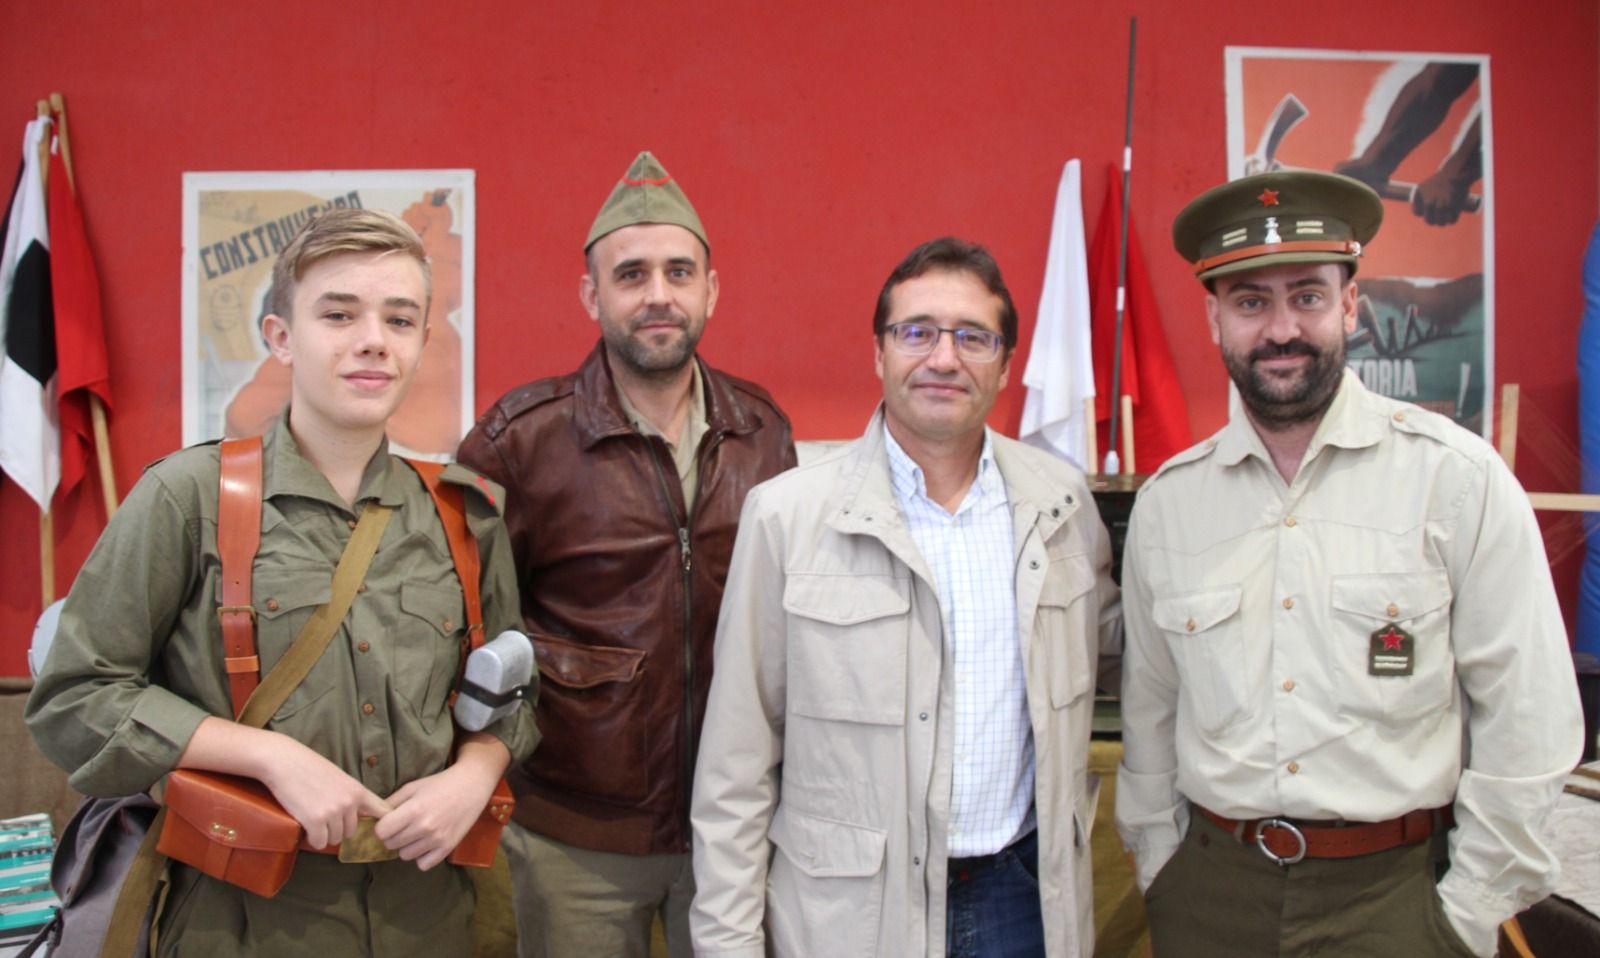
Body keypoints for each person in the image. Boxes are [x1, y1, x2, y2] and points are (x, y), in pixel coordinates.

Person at [26, 208, 537, 955]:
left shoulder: (464, 514)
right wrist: (271, 756)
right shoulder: (186, 498)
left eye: (399, 319)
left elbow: (512, 692)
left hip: (429, 915)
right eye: (339, 313)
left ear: (422, 342)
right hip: (242, 914)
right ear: (280, 338)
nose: (373, 339)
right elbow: (74, 699)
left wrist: (476, 772)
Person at [1115, 170, 1583, 957]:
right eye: (1250, 302)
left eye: (1307, 295)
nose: (1280, 329)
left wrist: (1464, 913)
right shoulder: (1169, 503)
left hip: (1393, 902)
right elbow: (1150, 713)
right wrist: (1162, 867)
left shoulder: (1456, 480)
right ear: (1215, 318)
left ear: (1352, 307)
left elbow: (1528, 722)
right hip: (1209, 895)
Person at [691, 237, 1121, 957]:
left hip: (1024, 898)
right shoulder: (786, 517)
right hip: (848, 919)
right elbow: (735, 767)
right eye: (917, 332)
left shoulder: (1063, 505)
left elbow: (1121, 663)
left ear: (1007, 364)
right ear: (879, 353)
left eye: (973, 337)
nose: (944, 358)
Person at [455, 150, 795, 958]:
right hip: (576, 833)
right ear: (592, 295)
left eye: (680, 272)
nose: (658, 296)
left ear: (711, 289)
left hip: (735, 827)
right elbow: (470, 632)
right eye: (632, 274)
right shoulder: (519, 440)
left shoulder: (762, 430)